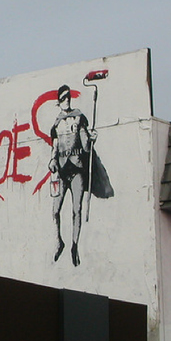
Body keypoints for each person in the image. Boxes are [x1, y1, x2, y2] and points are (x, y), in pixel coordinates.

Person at [48, 84, 99, 266]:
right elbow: (55, 146)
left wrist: (91, 139)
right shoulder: (57, 123)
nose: (66, 100)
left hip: (77, 170)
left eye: (68, 97)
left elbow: (85, 146)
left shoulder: (79, 117)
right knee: (55, 210)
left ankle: (74, 246)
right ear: (59, 101)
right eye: (63, 98)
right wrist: (52, 160)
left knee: (76, 210)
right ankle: (59, 241)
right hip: (62, 171)